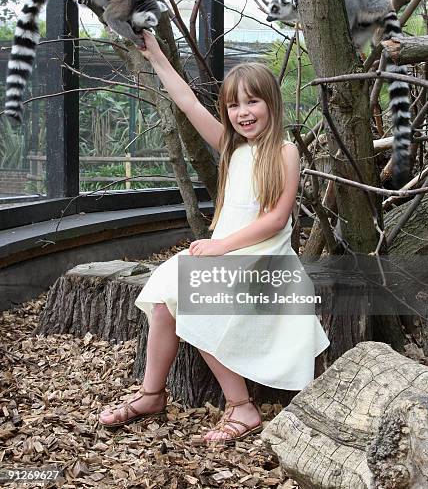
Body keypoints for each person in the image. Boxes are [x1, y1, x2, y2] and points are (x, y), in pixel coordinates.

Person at [99, 30, 330, 442]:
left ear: (271, 104)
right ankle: (152, 394)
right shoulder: (232, 147)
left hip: (261, 256)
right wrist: (156, 59)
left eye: (252, 101)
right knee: (166, 298)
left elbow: (276, 219)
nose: (243, 112)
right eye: (234, 104)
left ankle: (241, 407)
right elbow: (187, 102)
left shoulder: (284, 151)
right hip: (224, 254)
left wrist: (220, 246)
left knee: (197, 298)